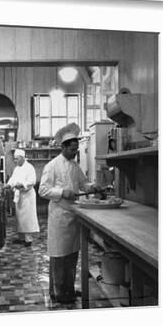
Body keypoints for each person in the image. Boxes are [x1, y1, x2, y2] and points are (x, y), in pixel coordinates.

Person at [39, 123, 100, 304]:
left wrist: (93, 187)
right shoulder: (52, 165)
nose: (75, 153)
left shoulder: (74, 166)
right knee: (59, 256)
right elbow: (43, 190)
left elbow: (83, 183)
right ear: (64, 147)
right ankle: (58, 293)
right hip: (59, 217)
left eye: (76, 149)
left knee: (72, 255)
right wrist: (61, 192)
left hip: (73, 217)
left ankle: (69, 289)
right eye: (72, 149)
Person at [5, 149, 40, 247]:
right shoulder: (17, 168)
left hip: (27, 196)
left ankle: (28, 240)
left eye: (16, 159)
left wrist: (22, 185)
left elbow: (32, 181)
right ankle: (21, 238)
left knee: (27, 218)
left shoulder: (29, 168)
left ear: (22, 158)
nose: (15, 161)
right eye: (14, 159)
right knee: (19, 218)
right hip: (19, 196)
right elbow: (13, 179)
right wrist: (8, 185)